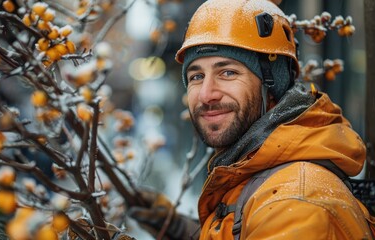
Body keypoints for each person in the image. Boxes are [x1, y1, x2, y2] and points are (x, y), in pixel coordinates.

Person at [129, 0, 375, 239]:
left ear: (273, 85)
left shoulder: (295, 204)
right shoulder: (255, 172)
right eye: (196, 76)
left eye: (228, 72)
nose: (206, 94)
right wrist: (178, 229)